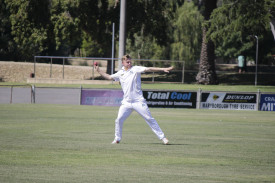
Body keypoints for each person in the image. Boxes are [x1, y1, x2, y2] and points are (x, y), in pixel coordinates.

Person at [95, 54, 173, 145]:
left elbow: (149, 69)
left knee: (149, 118)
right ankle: (117, 139)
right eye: (127, 61)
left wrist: (162, 69)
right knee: (119, 119)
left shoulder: (135, 69)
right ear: (123, 63)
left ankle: (163, 138)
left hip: (138, 101)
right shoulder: (120, 73)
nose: (129, 62)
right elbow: (109, 77)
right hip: (126, 103)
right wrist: (99, 70)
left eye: (130, 61)